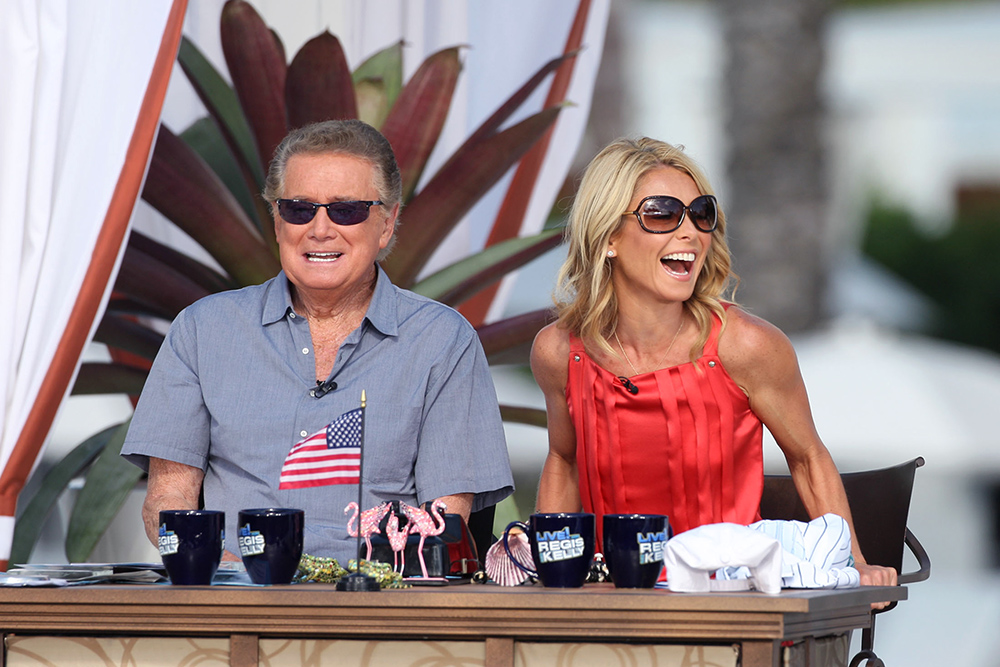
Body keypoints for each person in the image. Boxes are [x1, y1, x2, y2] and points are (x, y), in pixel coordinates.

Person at [122, 119, 513, 564]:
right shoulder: (201, 330)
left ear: (386, 224)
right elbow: (166, 502)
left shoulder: (442, 340)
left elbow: (445, 518)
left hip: (378, 607)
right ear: (276, 220)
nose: (320, 229)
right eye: (299, 209)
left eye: (346, 210)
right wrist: (227, 574)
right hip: (232, 600)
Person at [531, 136, 896, 591]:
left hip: (727, 601)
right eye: (662, 213)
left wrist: (856, 564)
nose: (690, 233)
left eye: (701, 214)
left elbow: (807, 457)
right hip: (611, 599)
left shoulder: (746, 345)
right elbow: (563, 461)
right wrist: (552, 577)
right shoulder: (559, 351)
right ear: (608, 239)